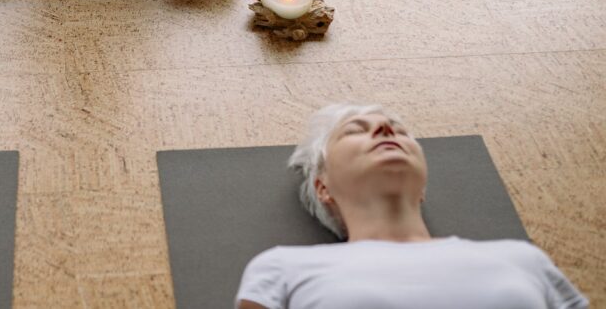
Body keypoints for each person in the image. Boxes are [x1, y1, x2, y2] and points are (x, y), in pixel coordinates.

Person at [236, 104, 589, 309]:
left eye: (399, 130)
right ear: (323, 186)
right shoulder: (283, 267)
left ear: (423, 187)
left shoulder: (520, 258)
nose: (386, 128)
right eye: (356, 130)